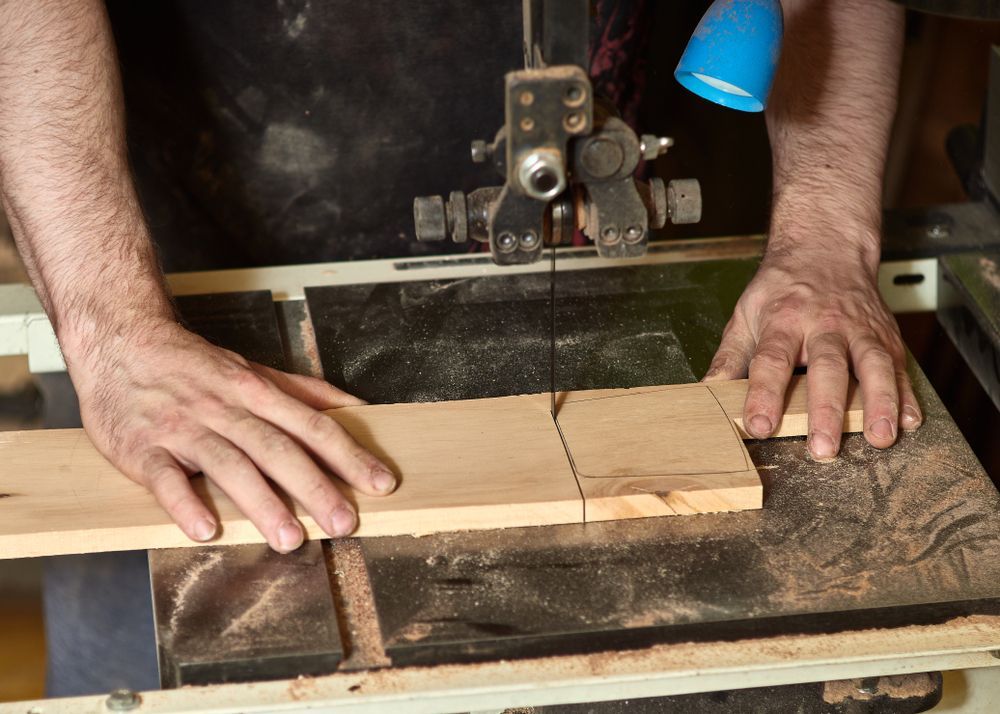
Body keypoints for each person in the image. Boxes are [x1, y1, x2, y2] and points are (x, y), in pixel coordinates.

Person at [0, 0, 919, 696]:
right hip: (182, 240)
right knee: (174, 628)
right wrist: (110, 324)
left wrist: (826, 238)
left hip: (605, 215)